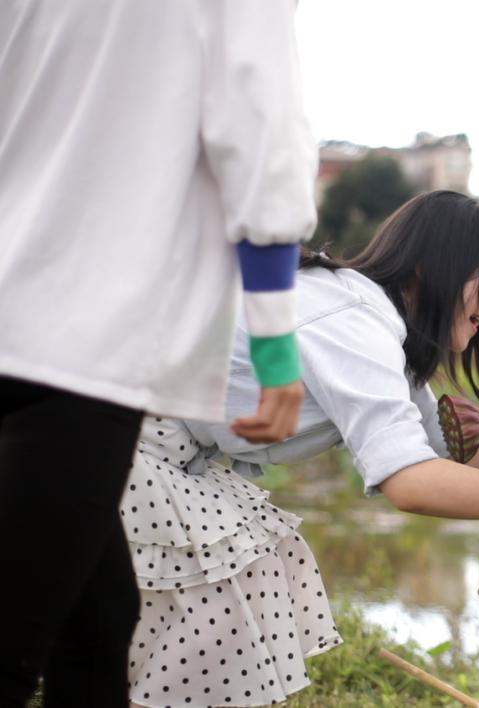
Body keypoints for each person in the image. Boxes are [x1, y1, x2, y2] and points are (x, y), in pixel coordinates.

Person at [120, 190, 479, 708]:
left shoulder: (369, 324)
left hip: (150, 451)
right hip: (124, 447)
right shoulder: (353, 324)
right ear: (430, 263)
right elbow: (412, 481)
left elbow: (441, 451)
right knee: (217, 627)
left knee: (190, 638)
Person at [0, 2, 314, 706]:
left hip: (24, 318)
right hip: (79, 342)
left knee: (98, 620)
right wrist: (273, 344)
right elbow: (266, 146)